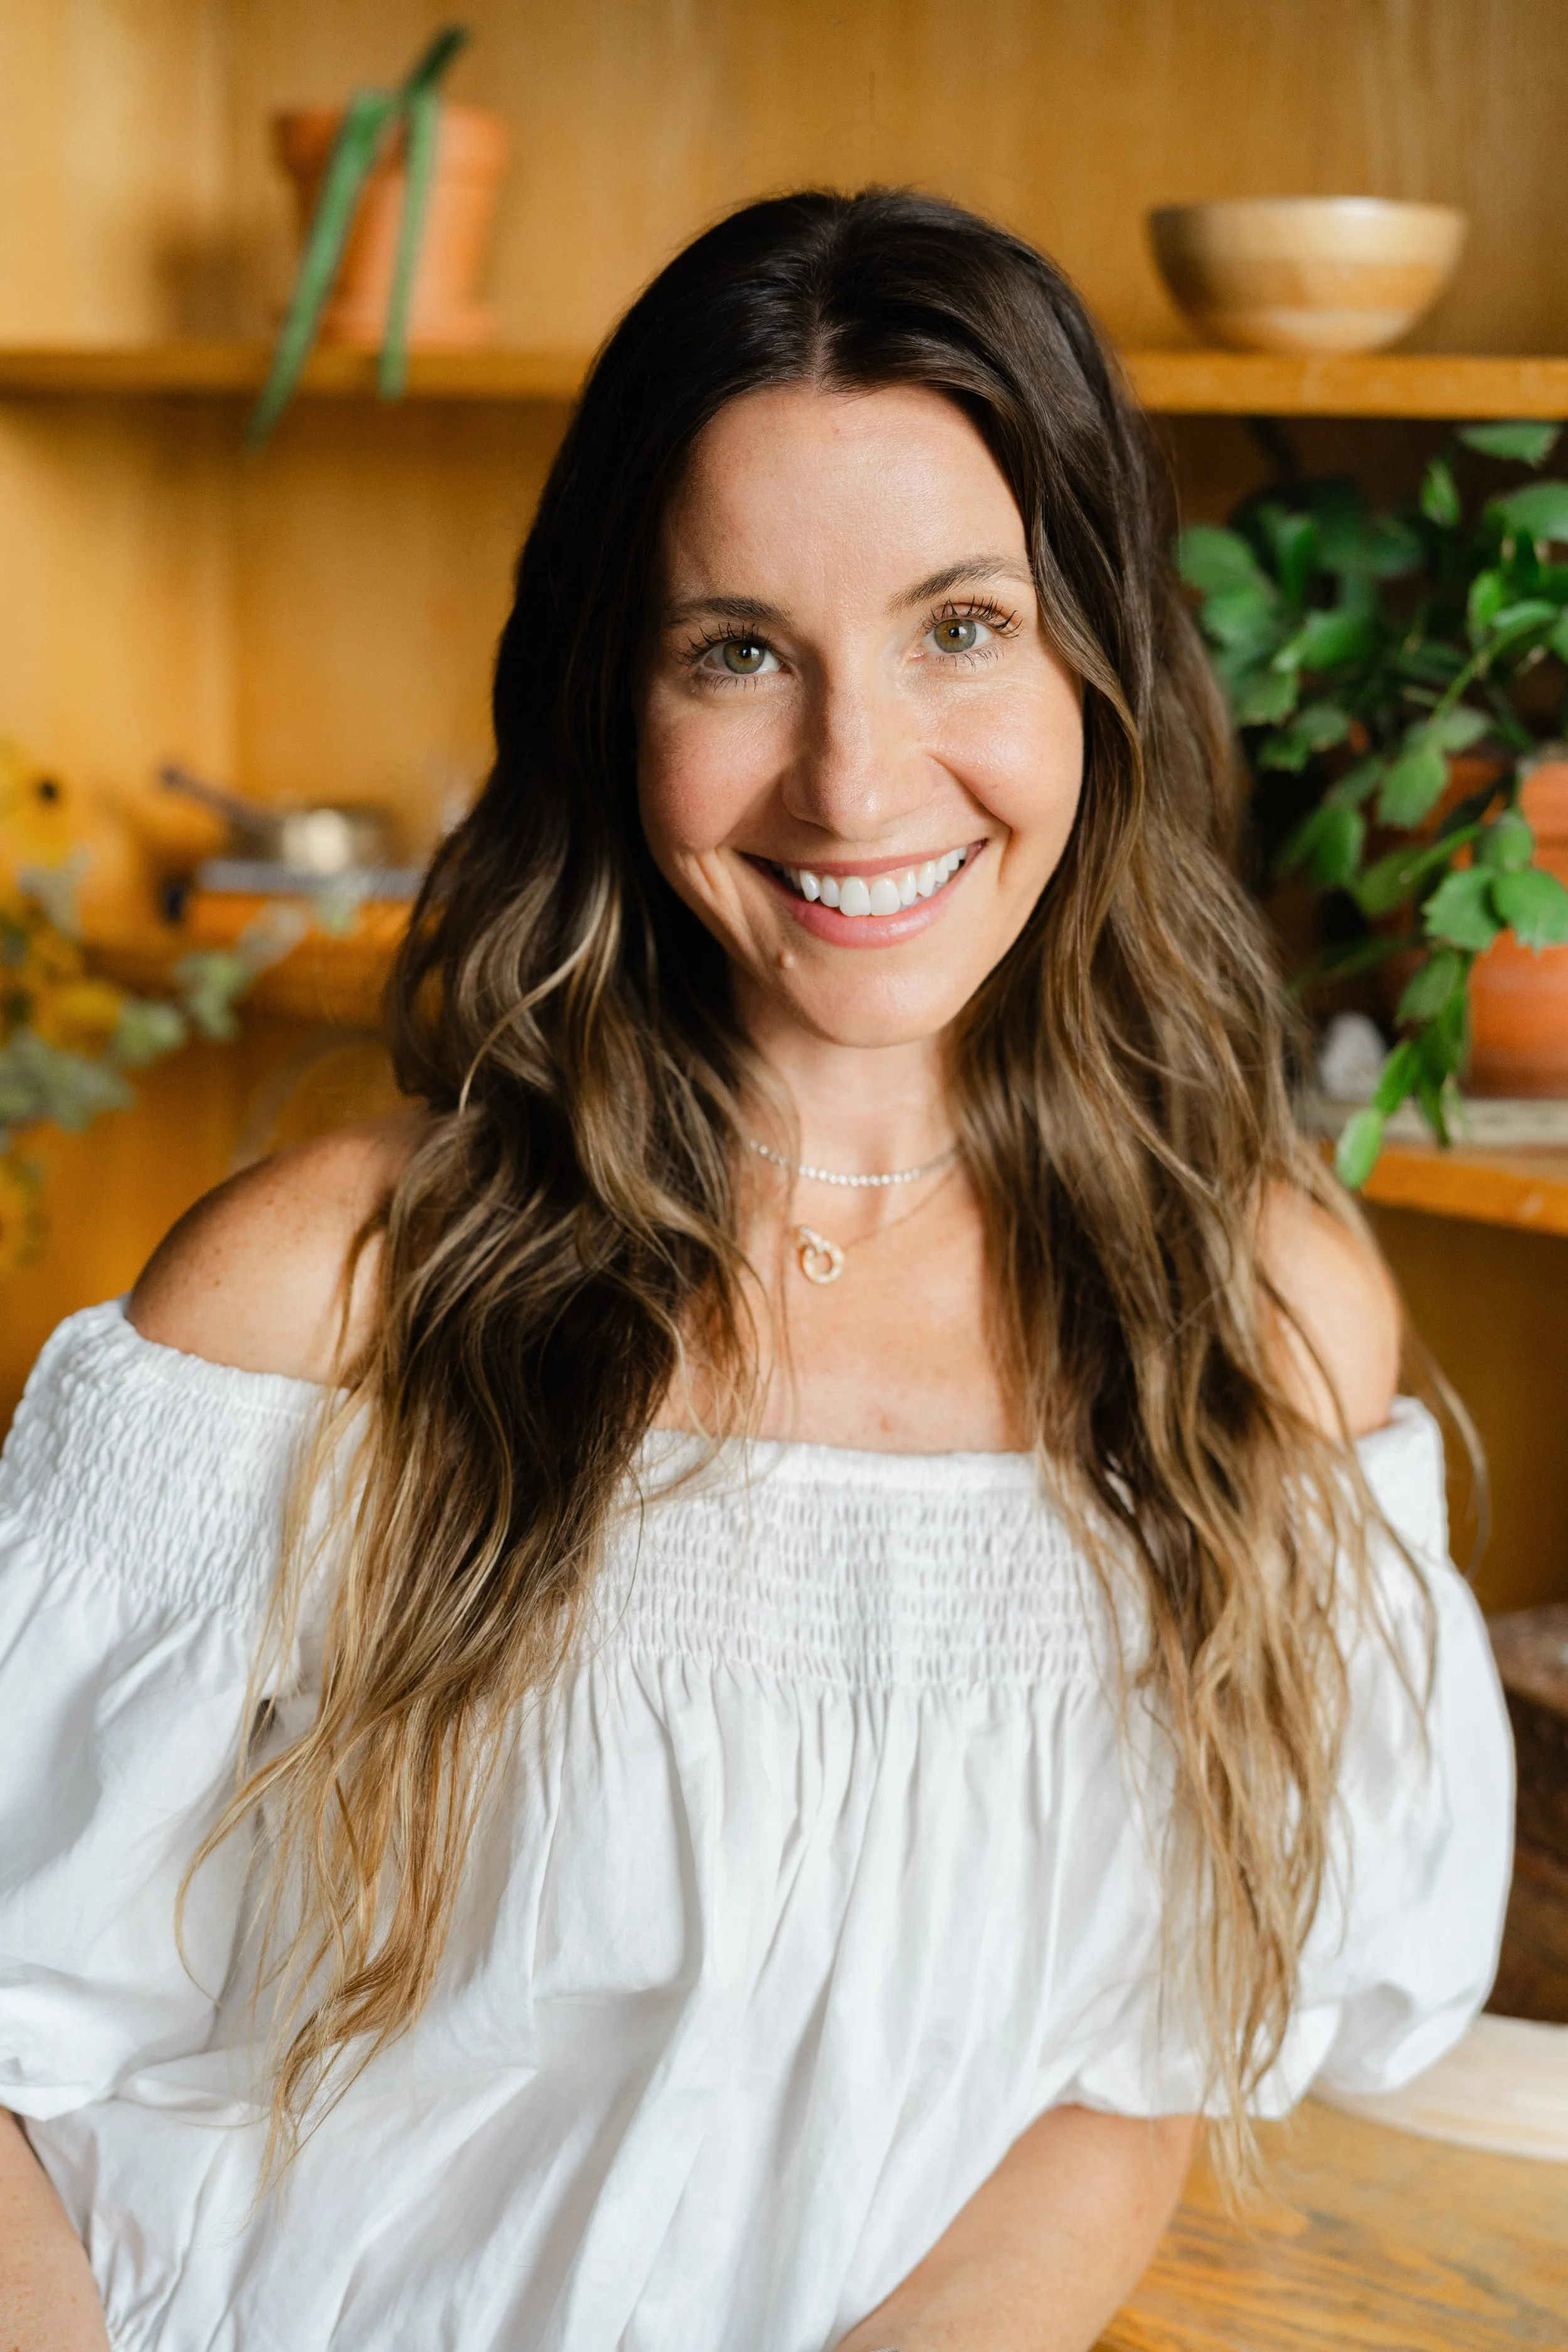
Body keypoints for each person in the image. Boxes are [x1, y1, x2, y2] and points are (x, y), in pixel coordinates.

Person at [0, 189, 1511, 2352]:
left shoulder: (1250, 1323)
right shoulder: (319, 1297)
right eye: (738, 650)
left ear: (1100, 656)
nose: (855, 774)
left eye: (959, 627)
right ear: (611, 700)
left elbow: (1128, 2070)